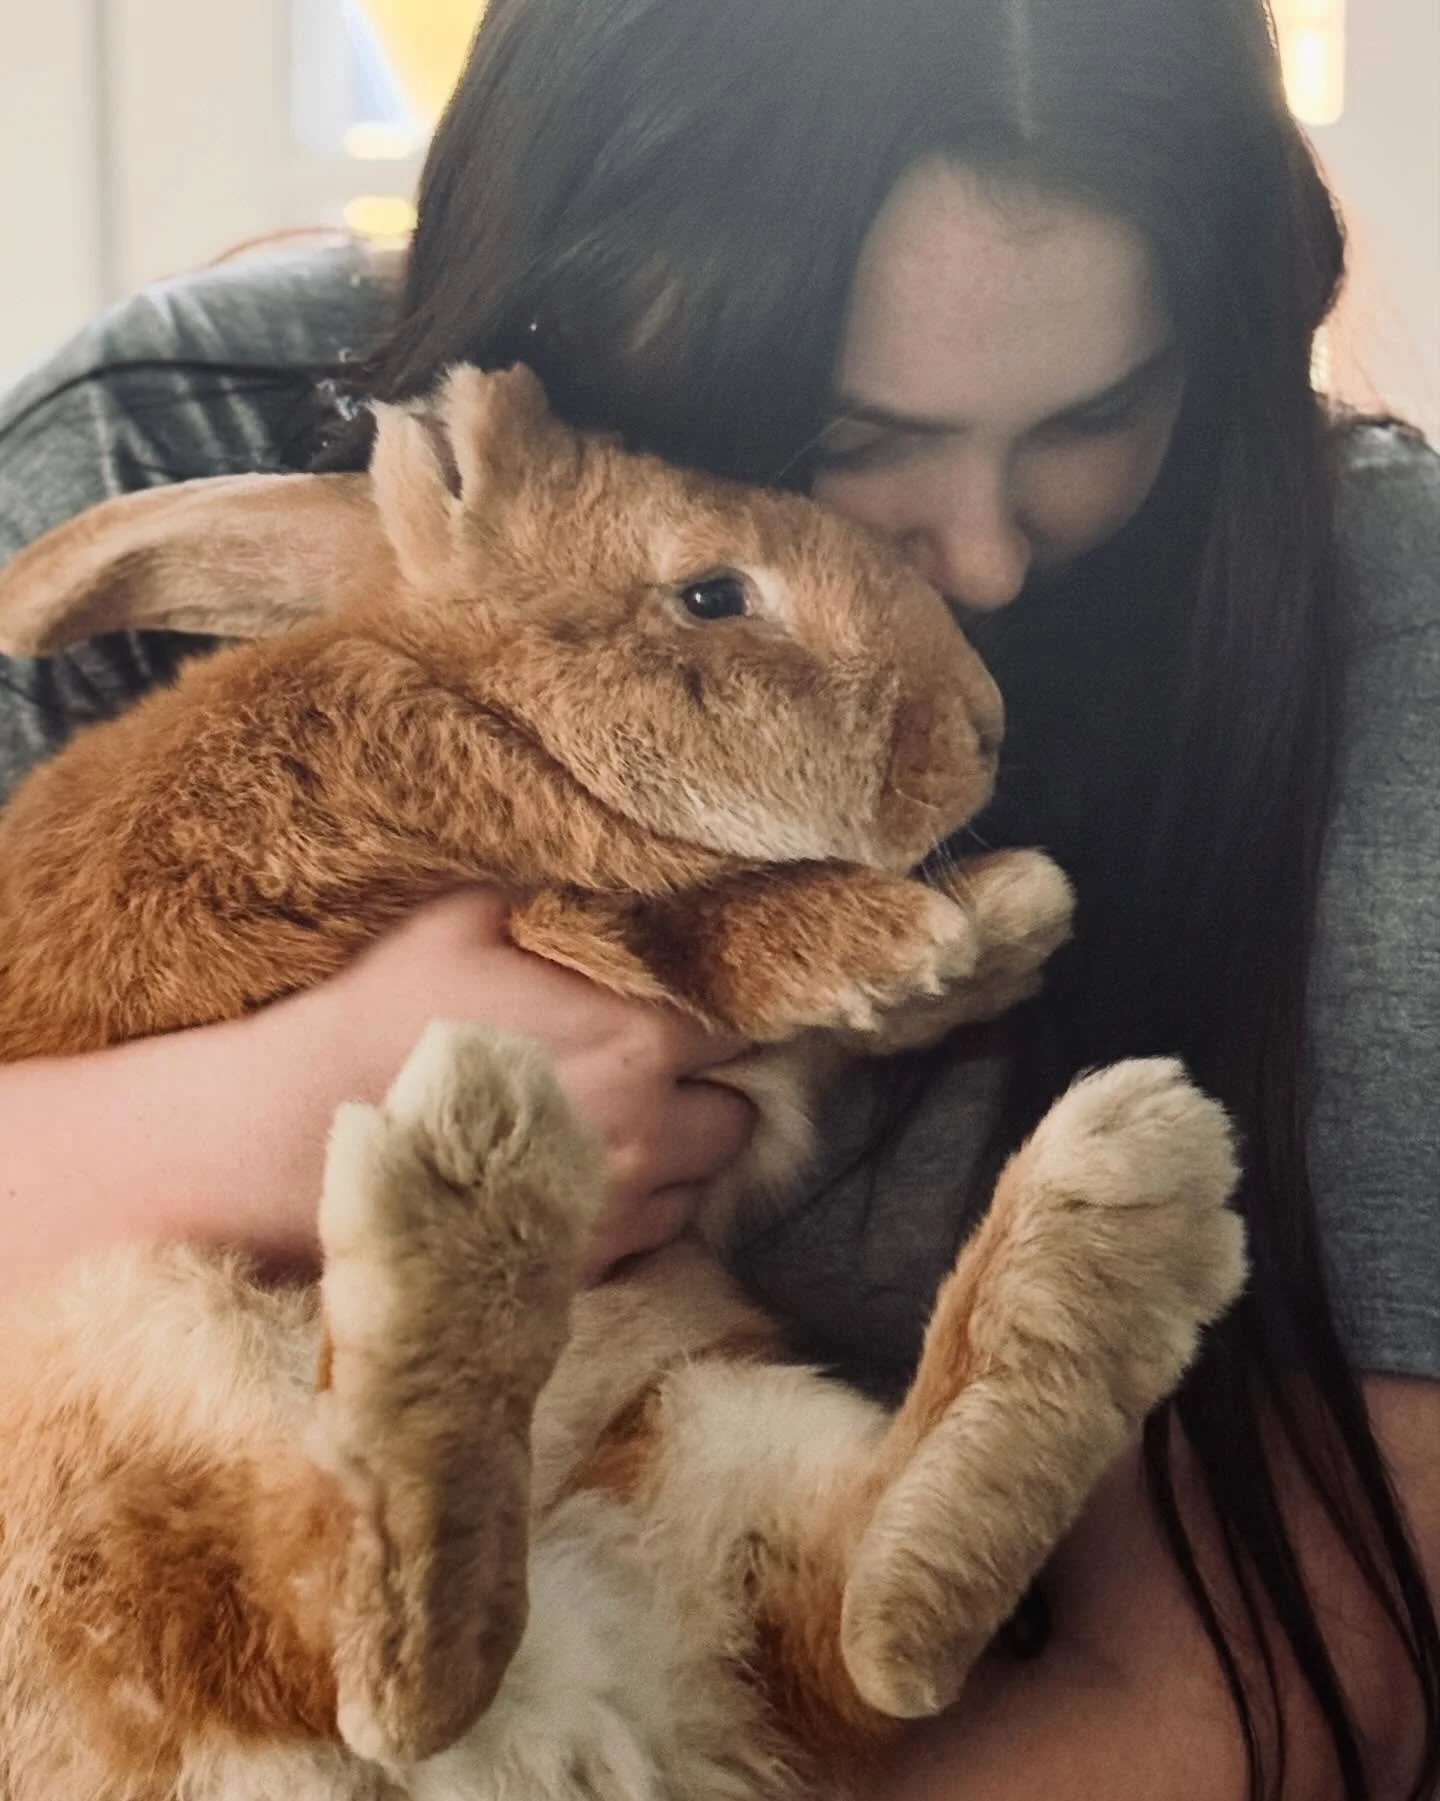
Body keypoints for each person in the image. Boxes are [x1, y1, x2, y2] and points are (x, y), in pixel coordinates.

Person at [0, 0, 1436, 1795]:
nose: (981, 555)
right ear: (585, 314)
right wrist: (284, 1118)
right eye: (851, 432)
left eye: (1096, 417)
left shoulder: (1361, 622)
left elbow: (1273, 1689)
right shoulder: (165, 435)